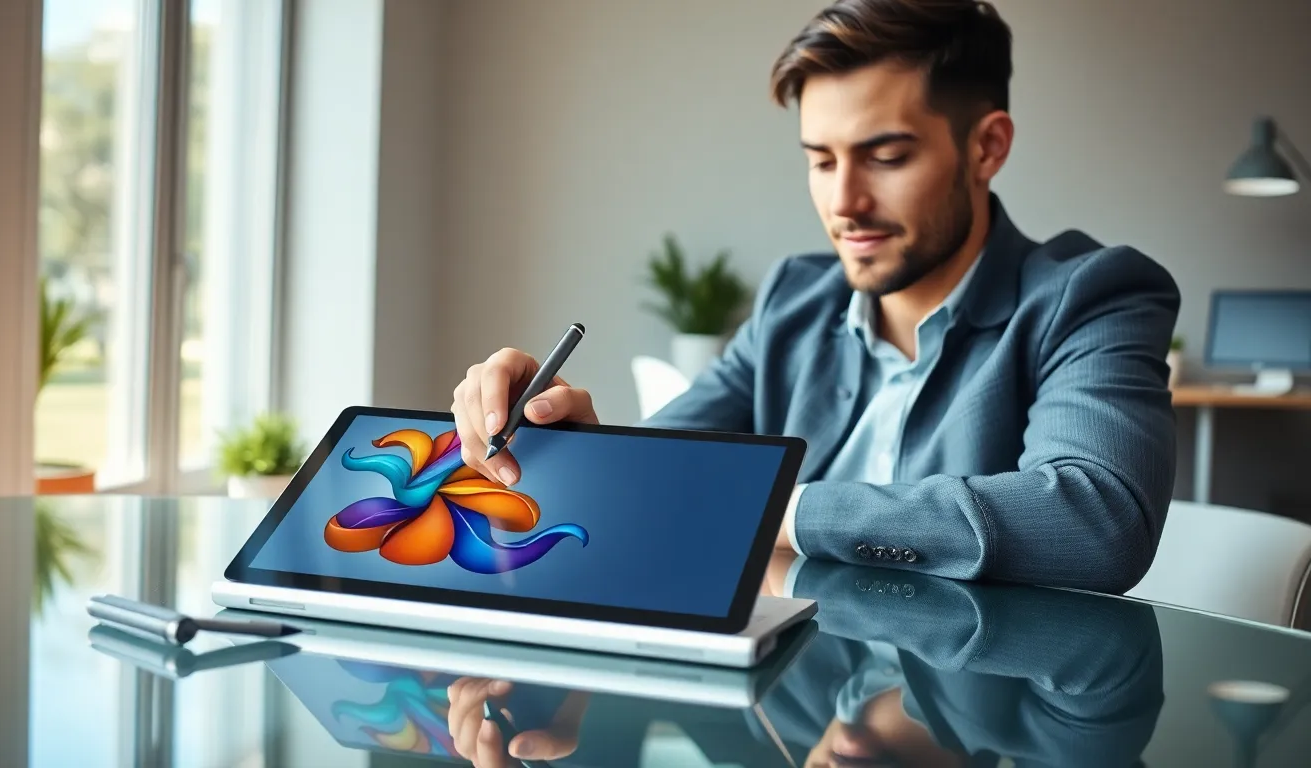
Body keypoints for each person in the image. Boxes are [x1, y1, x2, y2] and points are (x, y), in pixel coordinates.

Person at [449, 0, 1179, 594]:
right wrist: (575, 450)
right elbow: (664, 479)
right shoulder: (792, 302)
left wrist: (777, 509)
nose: (844, 203)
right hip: (792, 698)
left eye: (886, 157)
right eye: (821, 162)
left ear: (986, 148)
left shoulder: (1092, 296)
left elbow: (1096, 522)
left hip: (977, 709)